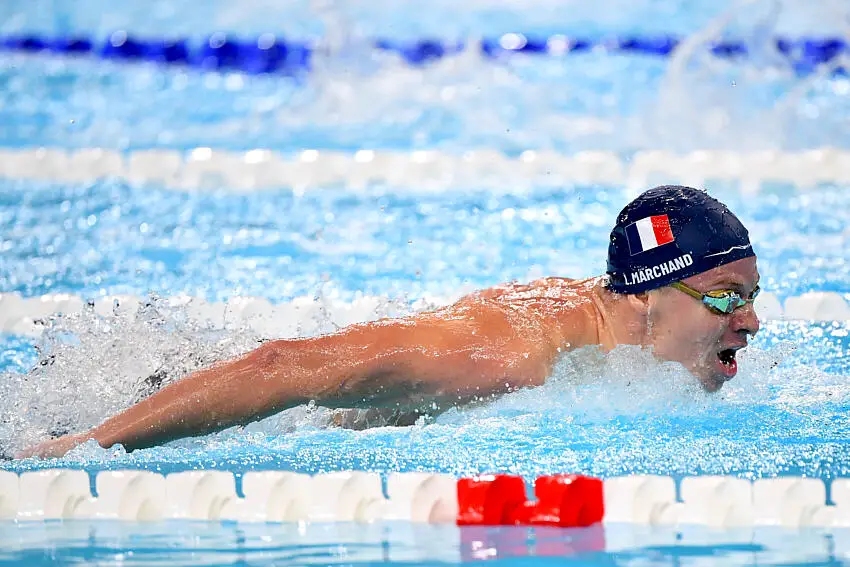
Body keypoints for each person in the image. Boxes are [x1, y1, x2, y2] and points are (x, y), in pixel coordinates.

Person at [17, 185, 761, 459]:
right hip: (187, 397)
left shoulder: (610, 330)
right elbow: (282, 367)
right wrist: (80, 446)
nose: (750, 321)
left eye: (753, 295)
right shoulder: (508, 356)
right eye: (727, 296)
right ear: (647, 295)